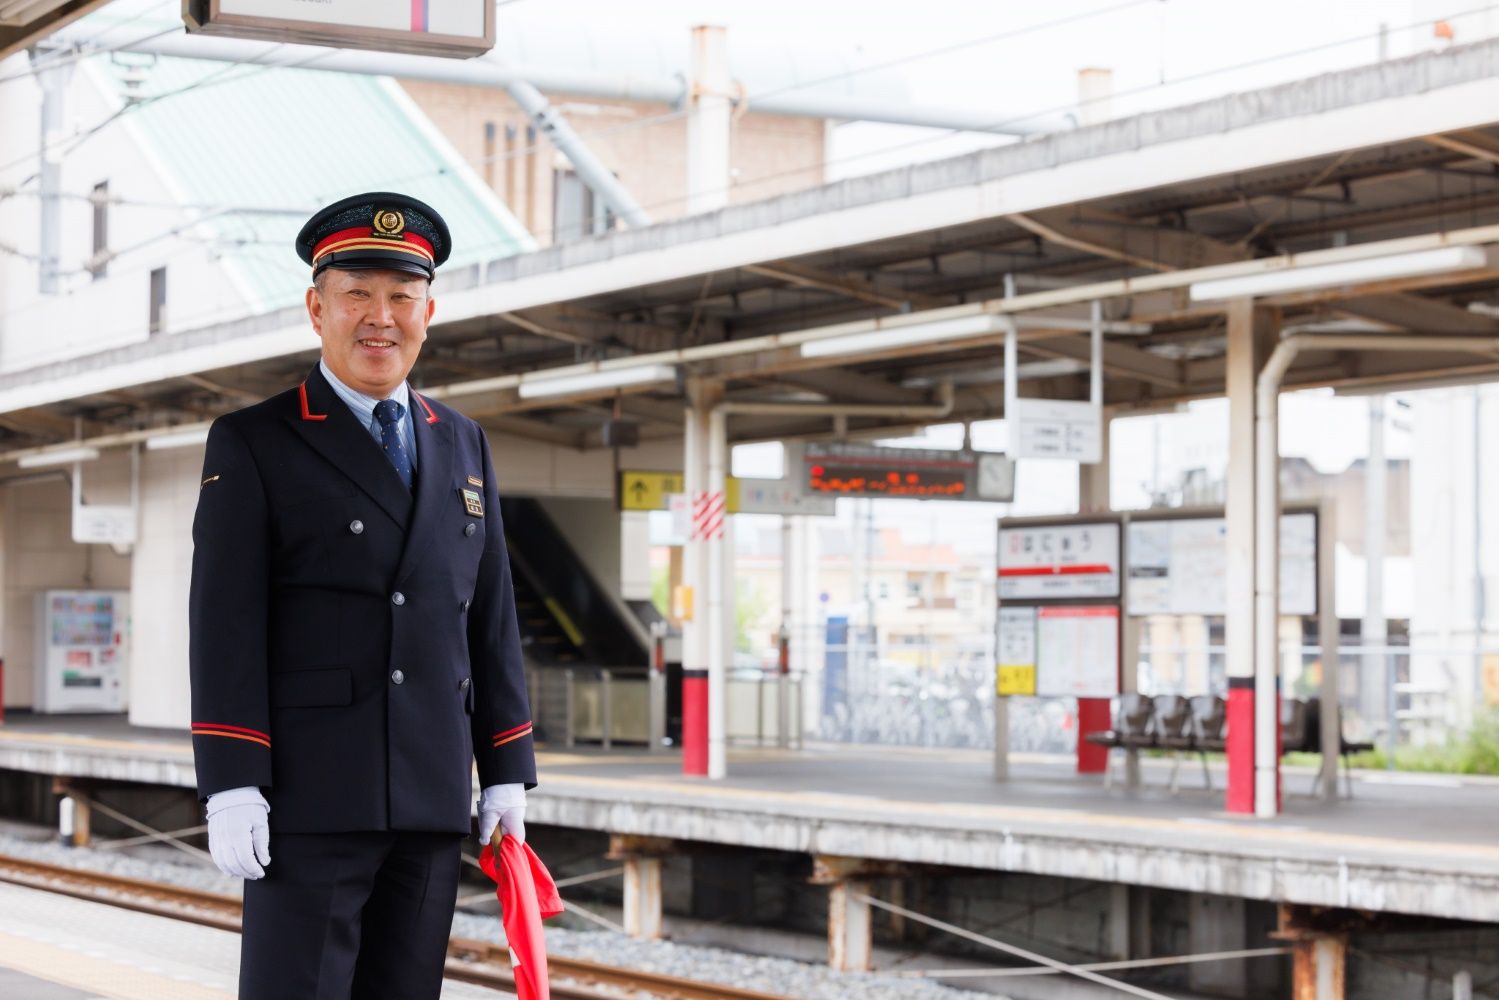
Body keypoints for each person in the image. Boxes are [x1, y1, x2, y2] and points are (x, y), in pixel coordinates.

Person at [187, 191, 536, 1000]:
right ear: (317, 308)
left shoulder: (462, 440)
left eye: (401, 298)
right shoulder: (256, 440)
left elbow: (487, 612)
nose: (381, 318)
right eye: (357, 296)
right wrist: (231, 778)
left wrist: (507, 764)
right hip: (307, 798)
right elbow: (224, 622)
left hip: (429, 792)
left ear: (428, 311)